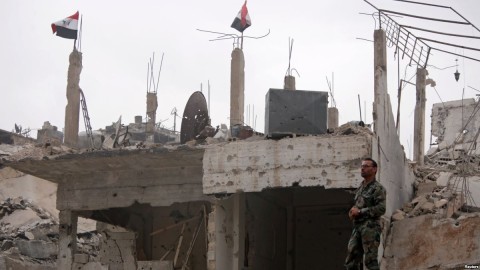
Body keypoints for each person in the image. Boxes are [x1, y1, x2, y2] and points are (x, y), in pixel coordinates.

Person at [345, 158, 386, 270]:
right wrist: (353, 211)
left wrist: (360, 211)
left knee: (370, 261)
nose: (362, 168)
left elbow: (381, 209)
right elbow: (358, 204)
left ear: (374, 169)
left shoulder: (378, 188)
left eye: (366, 166)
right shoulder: (360, 188)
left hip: (370, 228)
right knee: (351, 261)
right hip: (358, 227)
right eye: (362, 166)